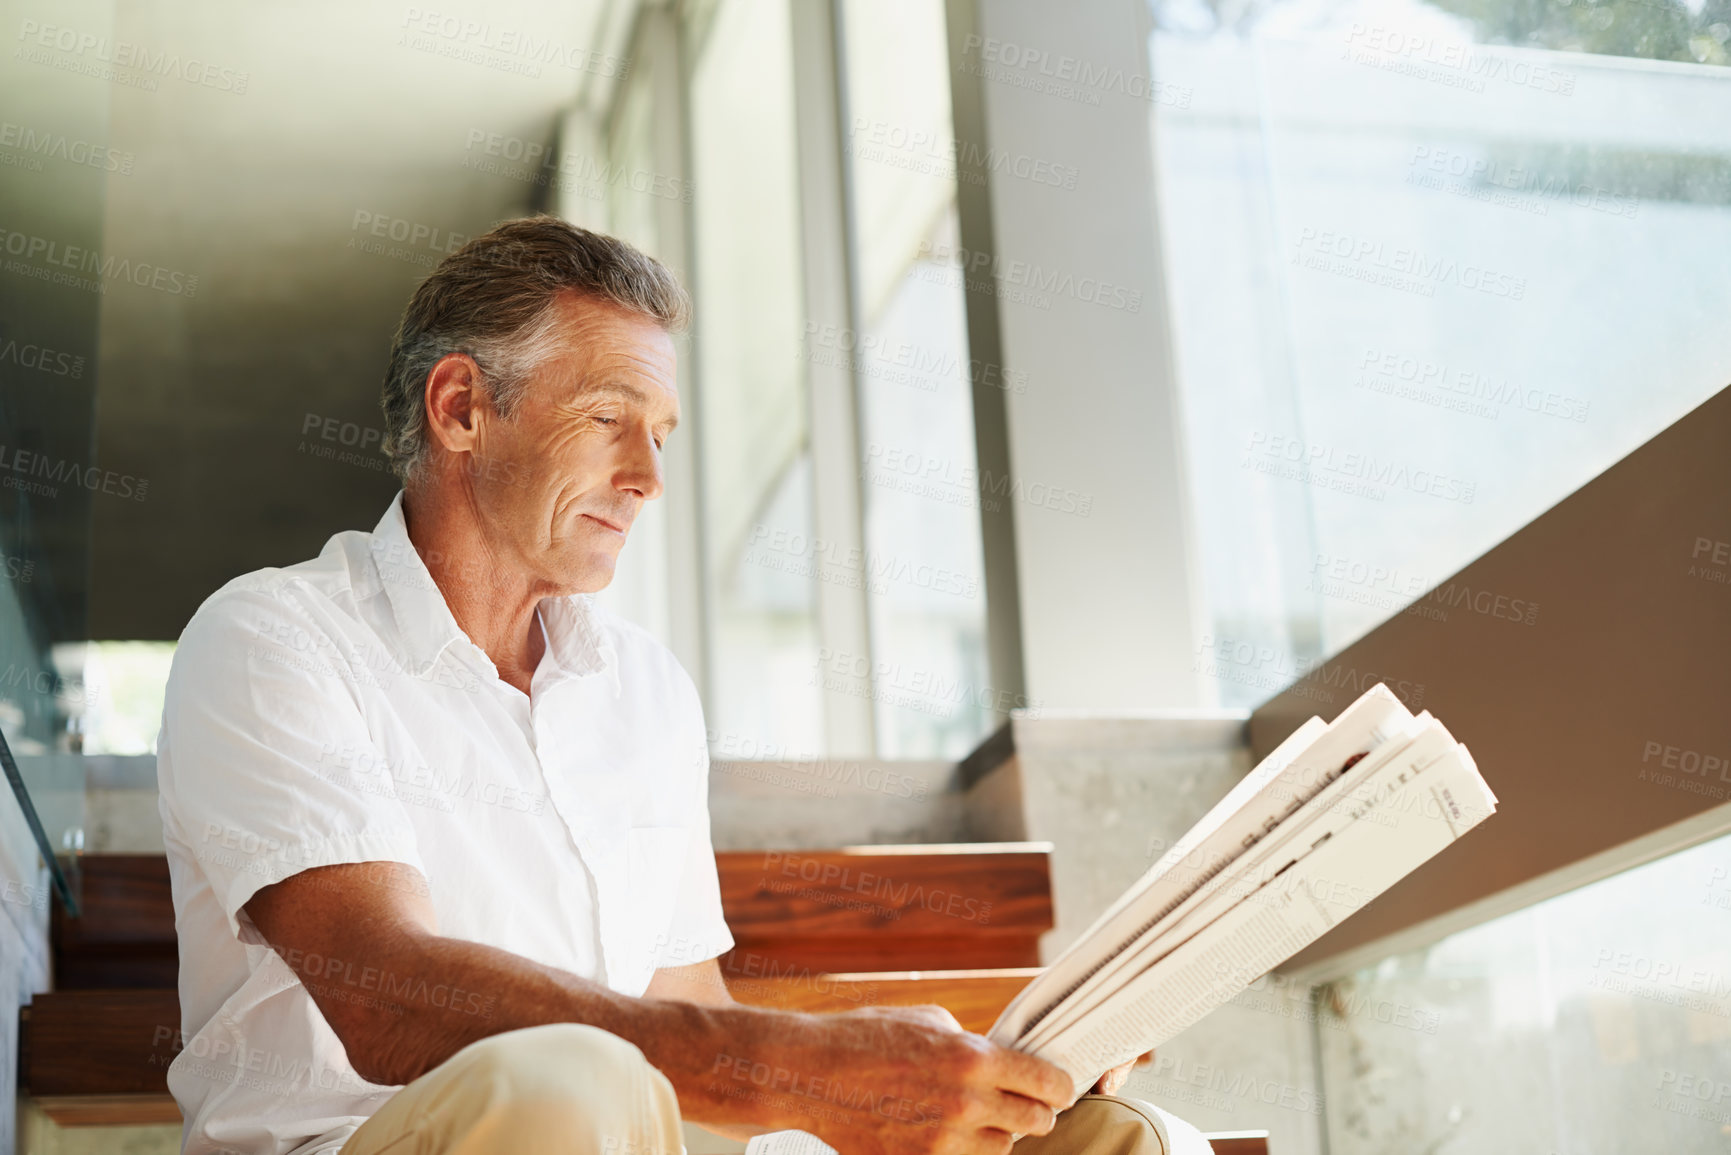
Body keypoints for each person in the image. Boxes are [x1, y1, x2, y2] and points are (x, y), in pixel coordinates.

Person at [156, 216, 1165, 1155]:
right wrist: (804, 1067)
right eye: (609, 419)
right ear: (461, 409)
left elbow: (691, 1015)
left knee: (1107, 1137)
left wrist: (966, 1074)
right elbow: (387, 996)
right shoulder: (273, 638)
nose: (648, 476)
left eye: (662, 435)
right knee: (568, 1083)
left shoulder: (644, 690)